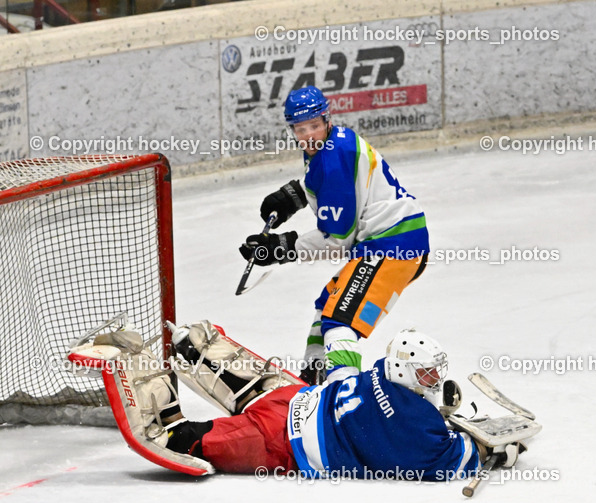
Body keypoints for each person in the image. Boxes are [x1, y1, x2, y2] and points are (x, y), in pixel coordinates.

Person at [71, 321, 522, 482]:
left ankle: (192, 347)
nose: (434, 379)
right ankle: (127, 367)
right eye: (427, 372)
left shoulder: (378, 374)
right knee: (180, 438)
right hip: (278, 443)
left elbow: (342, 351)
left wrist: (339, 327)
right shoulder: (418, 430)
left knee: (259, 388)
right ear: (405, 370)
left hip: (293, 396)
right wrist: (493, 450)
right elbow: (455, 461)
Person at [239, 86, 429, 384]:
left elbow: (337, 241)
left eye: (314, 125)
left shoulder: (334, 159)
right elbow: (327, 182)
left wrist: (281, 247)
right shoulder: (333, 142)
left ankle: (344, 394)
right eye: (301, 129)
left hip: (393, 245)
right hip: (388, 242)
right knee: (326, 304)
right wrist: (294, 195)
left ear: (327, 119)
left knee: (339, 323)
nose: (309, 135)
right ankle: (313, 383)